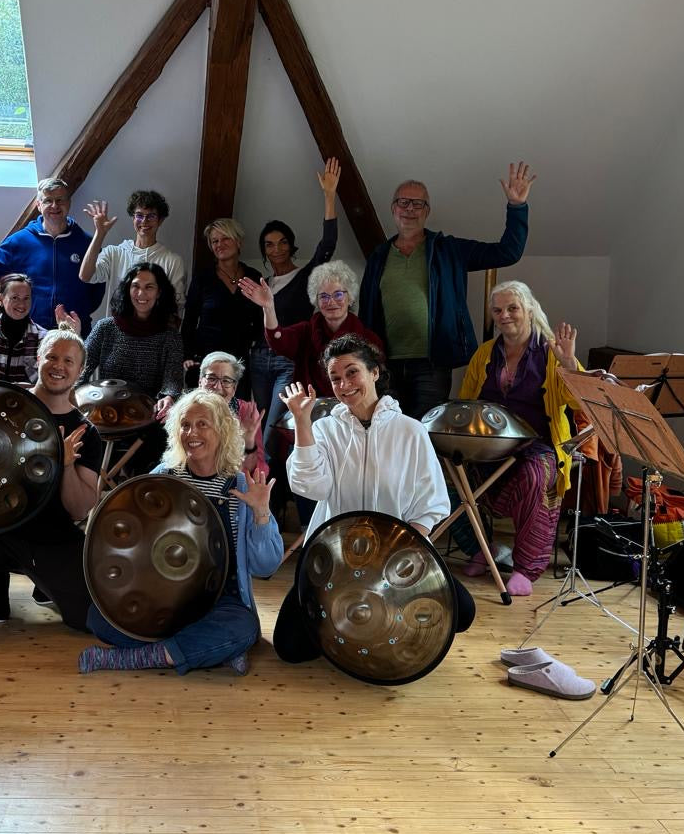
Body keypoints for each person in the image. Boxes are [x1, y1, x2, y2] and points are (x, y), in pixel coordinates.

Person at [276, 336, 476, 662]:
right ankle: (348, 623)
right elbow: (311, 488)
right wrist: (302, 421)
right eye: (335, 378)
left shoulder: (410, 430)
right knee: (291, 648)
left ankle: (383, 618)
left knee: (462, 611)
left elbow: (431, 502)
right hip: (338, 557)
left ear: (374, 372)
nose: (344, 384)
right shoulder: (324, 429)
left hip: (393, 557)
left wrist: (400, 559)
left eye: (352, 372)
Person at [78, 390, 281, 676]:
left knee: (242, 627)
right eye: (185, 425)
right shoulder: (164, 476)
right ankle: (207, 651)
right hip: (165, 598)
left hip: (221, 600)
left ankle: (135, 657)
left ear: (222, 431)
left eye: (202, 424)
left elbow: (266, 567)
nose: (191, 433)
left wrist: (261, 514)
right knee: (99, 617)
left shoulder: (242, 486)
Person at [0, 330, 104, 629]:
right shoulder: (2, 401)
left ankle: (43, 579)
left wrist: (66, 466)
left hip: (52, 535)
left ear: (80, 370)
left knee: (87, 618)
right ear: (38, 358)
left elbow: (79, 509)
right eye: (52, 356)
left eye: (68, 361)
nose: (58, 365)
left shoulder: (86, 432)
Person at [358, 164, 534, 418]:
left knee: (426, 432)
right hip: (385, 365)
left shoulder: (448, 250)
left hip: (432, 366)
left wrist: (517, 206)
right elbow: (367, 311)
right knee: (388, 431)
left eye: (418, 204)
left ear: (427, 211)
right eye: (403, 202)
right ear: (393, 208)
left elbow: (508, 252)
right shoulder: (378, 256)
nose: (410, 209)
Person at [457, 280, 580, 597]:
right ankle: (481, 549)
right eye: (498, 310)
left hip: (537, 445)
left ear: (529, 309)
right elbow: (466, 402)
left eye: (512, 308)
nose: (504, 315)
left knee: (534, 476)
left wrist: (569, 364)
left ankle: (526, 568)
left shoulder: (551, 351)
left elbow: (580, 403)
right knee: (447, 472)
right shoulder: (485, 353)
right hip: (489, 443)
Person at [249, 158, 342, 431]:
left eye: (282, 243)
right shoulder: (262, 284)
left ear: (291, 245)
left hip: (287, 361)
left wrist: (329, 196)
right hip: (258, 359)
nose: (276, 249)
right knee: (261, 425)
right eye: (269, 245)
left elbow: (328, 244)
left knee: (276, 428)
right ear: (264, 251)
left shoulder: (305, 277)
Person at [0, 177, 104, 332]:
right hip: (31, 333)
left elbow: (98, 288)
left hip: (75, 330)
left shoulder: (87, 243)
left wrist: (79, 310)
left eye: (60, 200)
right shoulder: (20, 241)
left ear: (69, 202)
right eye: (48, 200)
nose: (54, 205)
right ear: (39, 205)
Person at [81, 263, 185, 473]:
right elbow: (81, 366)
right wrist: (72, 394)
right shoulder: (106, 327)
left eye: (149, 287)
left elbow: (173, 378)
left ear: (159, 292)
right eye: (136, 286)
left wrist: (168, 397)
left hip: (147, 421)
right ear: (127, 289)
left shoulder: (170, 335)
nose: (141, 293)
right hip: (104, 416)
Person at [241, 259, 382, 399]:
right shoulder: (306, 331)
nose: (331, 301)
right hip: (311, 407)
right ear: (316, 301)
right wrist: (269, 307)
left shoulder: (369, 338)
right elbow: (278, 340)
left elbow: (377, 384)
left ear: (350, 297)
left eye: (338, 294)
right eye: (324, 296)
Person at [183, 218, 264, 392]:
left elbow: (260, 320)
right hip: (206, 361)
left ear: (238, 241)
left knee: (236, 407)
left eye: (225, 238)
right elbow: (189, 321)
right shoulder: (202, 278)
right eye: (215, 241)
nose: (219, 244)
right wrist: (187, 355)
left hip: (240, 363)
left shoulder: (253, 276)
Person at [78, 190, 188, 316]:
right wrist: (100, 233)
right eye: (139, 215)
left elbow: (176, 308)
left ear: (160, 220)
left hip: (155, 328)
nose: (144, 221)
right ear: (133, 218)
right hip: (117, 327)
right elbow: (85, 276)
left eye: (151, 216)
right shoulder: (115, 253)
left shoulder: (173, 261)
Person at [196, 351, 265, 476]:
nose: (217, 387)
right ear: (200, 381)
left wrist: (249, 441)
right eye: (211, 378)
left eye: (226, 381)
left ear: (234, 387)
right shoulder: (186, 409)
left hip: (230, 480)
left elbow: (254, 470)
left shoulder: (246, 411)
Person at [0, 274, 49, 385]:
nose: (21, 304)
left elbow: (47, 383)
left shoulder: (44, 338)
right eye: (15, 298)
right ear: (0, 299)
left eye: (26, 298)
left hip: (25, 397)